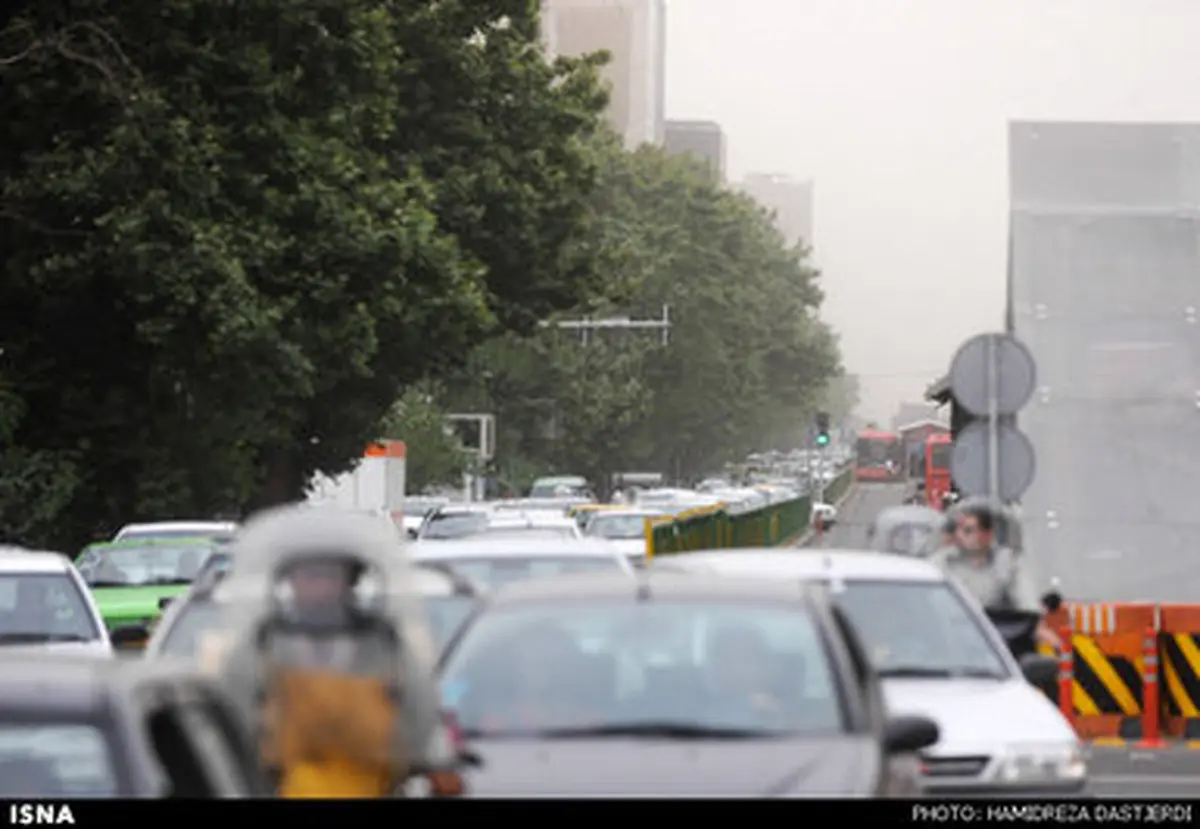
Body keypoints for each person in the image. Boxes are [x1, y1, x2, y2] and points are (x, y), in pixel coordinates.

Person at [214, 505, 452, 797]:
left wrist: (431, 761)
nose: (318, 585)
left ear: (349, 580)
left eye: (328, 575)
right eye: (308, 575)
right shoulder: (262, 647)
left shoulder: (384, 646)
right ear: (289, 579)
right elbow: (233, 717)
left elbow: (420, 713)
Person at [930, 502, 1061, 651]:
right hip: (945, 640)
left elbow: (1024, 599)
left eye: (968, 530)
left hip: (996, 641)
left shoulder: (1006, 563)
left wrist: (1036, 625)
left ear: (987, 535)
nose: (960, 535)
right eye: (958, 530)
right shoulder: (942, 562)